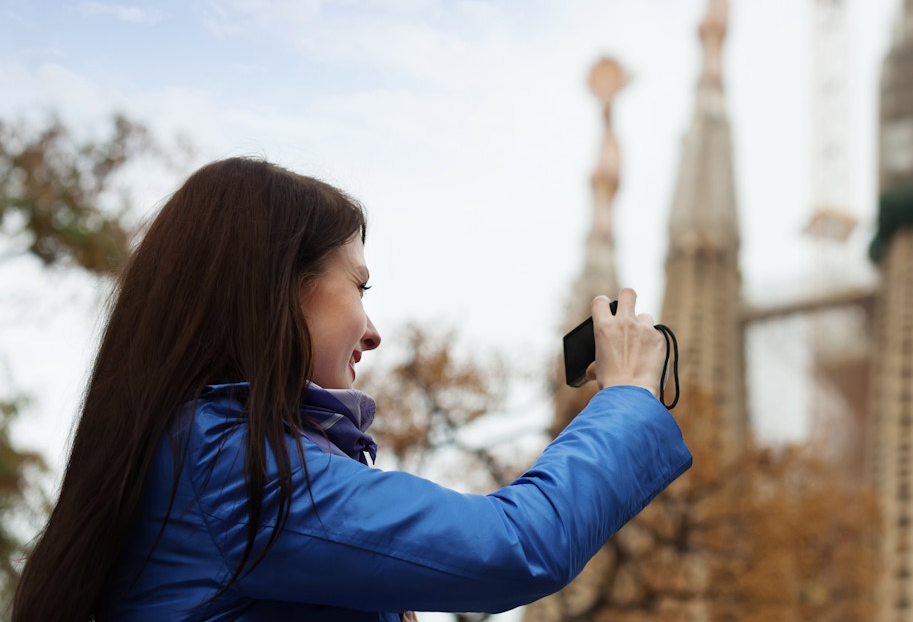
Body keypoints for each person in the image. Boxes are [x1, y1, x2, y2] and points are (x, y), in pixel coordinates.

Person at [11, 157, 691, 621]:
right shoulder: (232, 468)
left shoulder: (203, 456)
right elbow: (515, 544)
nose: (373, 330)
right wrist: (627, 395)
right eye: (359, 287)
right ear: (275, 286)